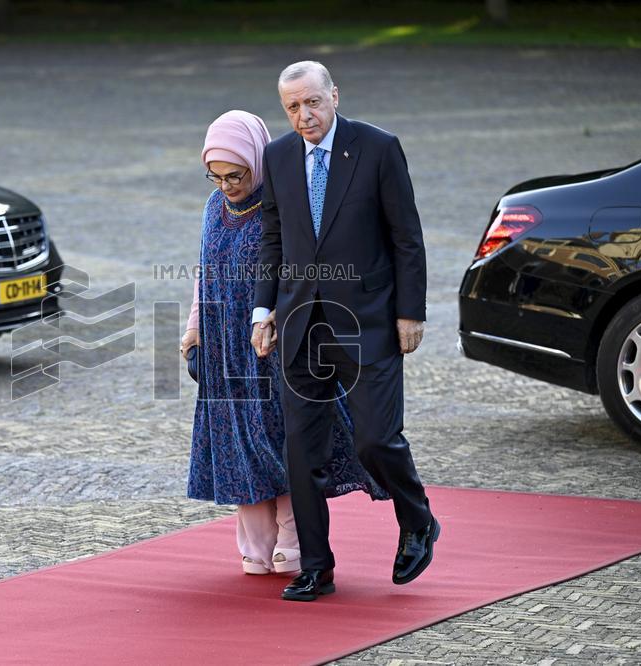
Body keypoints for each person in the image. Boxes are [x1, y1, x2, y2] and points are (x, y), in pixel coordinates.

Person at [251, 61, 439, 602]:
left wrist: (411, 312)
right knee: (300, 452)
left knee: (375, 438)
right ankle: (316, 567)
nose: (304, 116)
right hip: (298, 325)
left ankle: (418, 518)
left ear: (334, 94)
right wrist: (262, 313)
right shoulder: (277, 156)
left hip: (370, 321)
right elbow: (273, 240)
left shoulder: (379, 148)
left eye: (312, 102)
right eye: (292, 108)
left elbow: (408, 236)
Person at [183, 110, 386, 577]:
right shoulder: (214, 207)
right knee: (236, 445)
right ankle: (255, 547)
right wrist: (194, 328)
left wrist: (278, 317)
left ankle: (293, 545)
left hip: (274, 345)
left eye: (237, 175)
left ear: (257, 161)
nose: (227, 185)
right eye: (216, 177)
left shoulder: (281, 203)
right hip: (223, 349)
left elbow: (302, 270)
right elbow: (203, 270)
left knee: (281, 440)